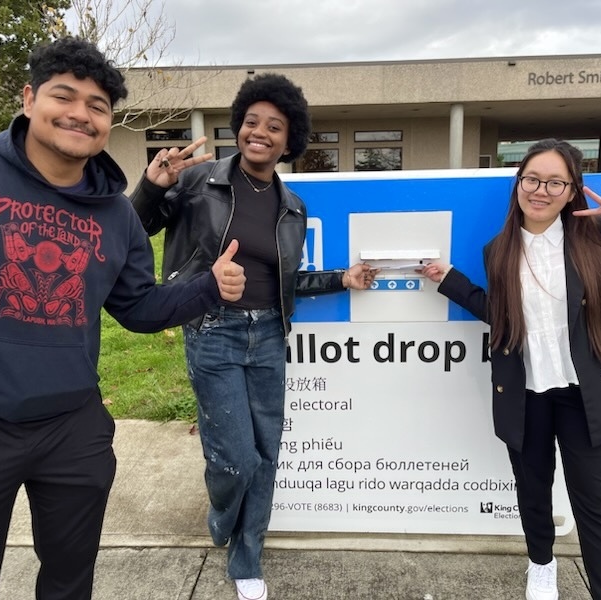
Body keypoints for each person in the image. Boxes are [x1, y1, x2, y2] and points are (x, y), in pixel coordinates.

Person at [0, 37, 246, 600]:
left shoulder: (116, 215)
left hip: (73, 429)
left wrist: (209, 288)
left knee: (71, 582)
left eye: (97, 106)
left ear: (108, 122)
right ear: (29, 99)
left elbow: (138, 308)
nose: (80, 113)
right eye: (64, 96)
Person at [130, 72, 376, 600]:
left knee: (266, 454)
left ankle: (247, 557)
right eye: (251, 121)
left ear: (289, 141)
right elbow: (133, 229)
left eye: (274, 126)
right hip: (212, 329)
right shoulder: (198, 183)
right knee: (236, 458)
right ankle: (223, 516)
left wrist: (343, 279)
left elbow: (287, 279)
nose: (259, 132)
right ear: (238, 127)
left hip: (268, 335)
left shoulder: (293, 208)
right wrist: (152, 185)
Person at [421, 139, 601, 600]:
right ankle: (541, 564)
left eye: (555, 182)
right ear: (519, 183)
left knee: (594, 502)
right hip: (528, 391)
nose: (540, 191)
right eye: (532, 179)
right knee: (533, 489)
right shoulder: (499, 249)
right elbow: (505, 317)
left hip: (586, 394)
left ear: (572, 190)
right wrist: (452, 282)